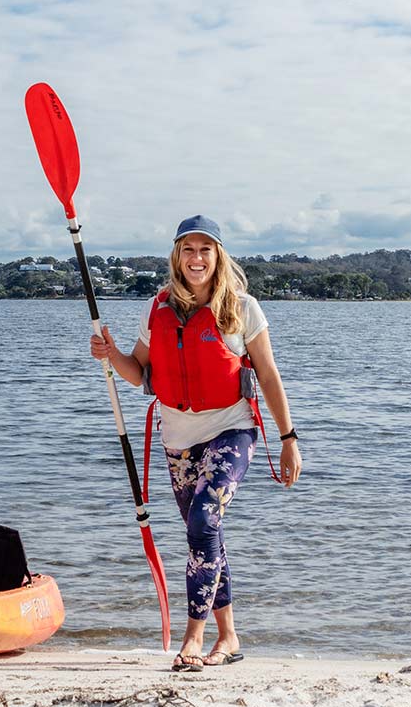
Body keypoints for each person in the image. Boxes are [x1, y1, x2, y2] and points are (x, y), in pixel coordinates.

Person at [91, 215, 302, 671]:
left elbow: (267, 374)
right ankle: (228, 637)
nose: (197, 258)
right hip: (178, 442)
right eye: (189, 249)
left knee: (203, 521)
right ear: (177, 255)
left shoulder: (242, 308)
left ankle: (194, 637)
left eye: (206, 249)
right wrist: (112, 357)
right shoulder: (158, 308)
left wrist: (289, 439)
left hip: (232, 430)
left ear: (219, 256)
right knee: (205, 536)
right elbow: (140, 373)